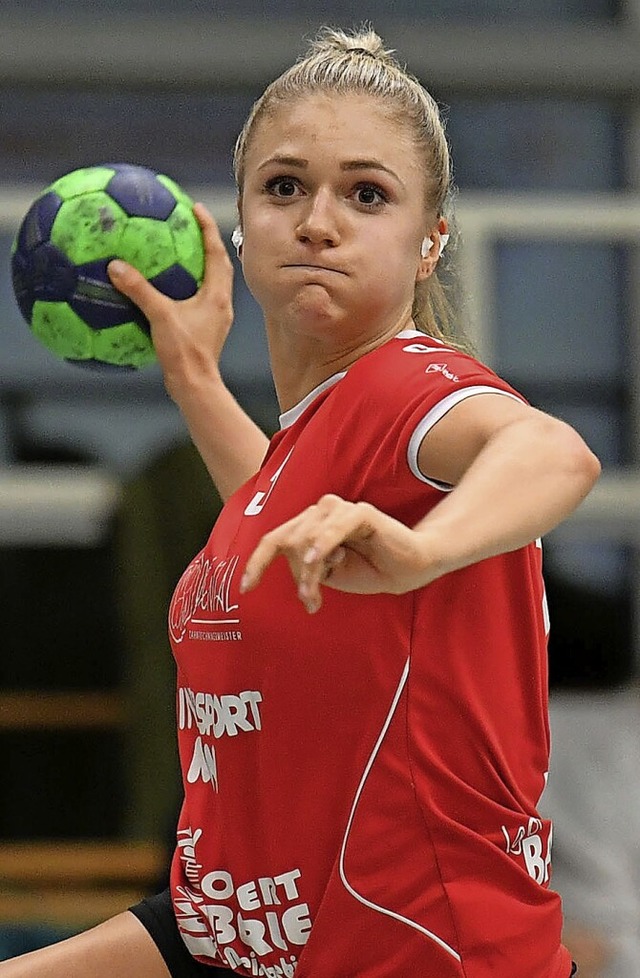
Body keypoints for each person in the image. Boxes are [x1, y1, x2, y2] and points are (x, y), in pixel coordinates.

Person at [0, 25, 600, 978]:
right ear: (240, 221)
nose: (319, 220)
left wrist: (424, 548)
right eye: (285, 188)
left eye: (368, 195)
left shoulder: (410, 387)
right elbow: (273, 514)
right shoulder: (307, 451)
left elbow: (552, 451)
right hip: (248, 938)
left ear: (431, 239)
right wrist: (193, 376)